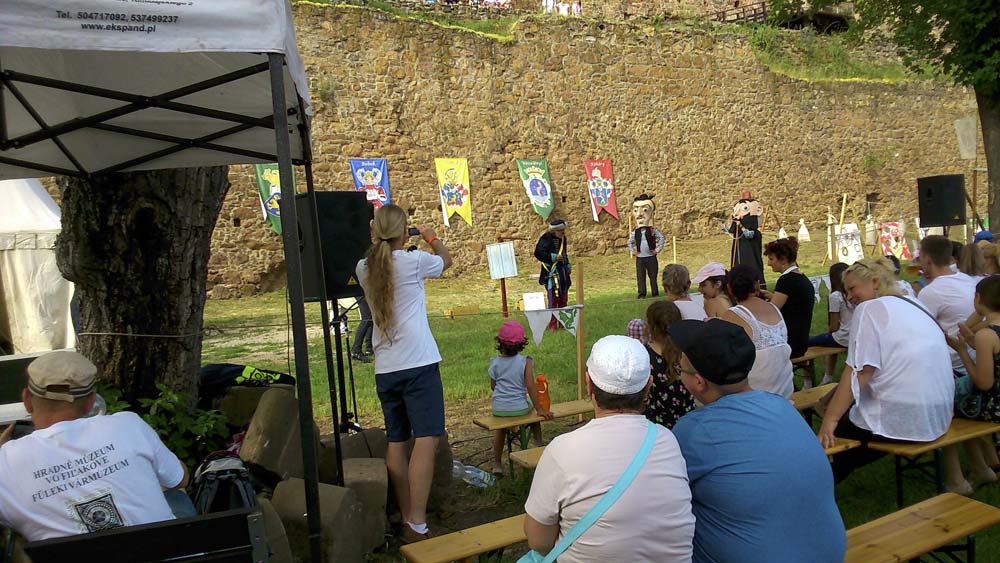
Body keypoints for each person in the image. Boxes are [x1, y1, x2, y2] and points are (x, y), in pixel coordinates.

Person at [669, 319, 846, 563]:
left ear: (699, 382)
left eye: (679, 368)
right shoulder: (781, 405)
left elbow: (662, 500)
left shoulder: (694, 431)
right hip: (829, 553)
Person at [524, 335, 695, 562]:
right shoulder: (667, 440)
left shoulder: (561, 450)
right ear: (649, 386)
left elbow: (539, 542)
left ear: (588, 384)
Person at [0, 351, 189, 541]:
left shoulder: (5, 464)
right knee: (174, 492)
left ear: (27, 400)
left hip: (70, 553)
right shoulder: (128, 424)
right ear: (91, 402)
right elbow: (179, 480)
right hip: (165, 548)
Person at [355, 203, 452, 542]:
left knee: (396, 440)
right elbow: (446, 260)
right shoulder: (414, 261)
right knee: (427, 438)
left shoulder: (363, 267)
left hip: (386, 366)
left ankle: (407, 513)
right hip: (418, 363)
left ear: (374, 230)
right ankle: (417, 522)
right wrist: (430, 237)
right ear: (403, 231)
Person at [817, 257, 954, 483]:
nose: (849, 297)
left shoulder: (869, 308)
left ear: (875, 282)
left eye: (852, 288)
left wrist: (829, 421)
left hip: (905, 417)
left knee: (834, 442)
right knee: (847, 426)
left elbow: (860, 371)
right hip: (938, 414)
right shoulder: (914, 303)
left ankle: (815, 488)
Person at [947, 275, 1000, 489]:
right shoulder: (987, 336)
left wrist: (962, 351)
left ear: (978, 298)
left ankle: (968, 474)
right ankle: (985, 466)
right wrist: (971, 341)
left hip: (994, 407)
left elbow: (984, 383)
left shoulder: (986, 335)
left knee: (950, 411)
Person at [488, 321, 553, 475]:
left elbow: (493, 386)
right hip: (519, 407)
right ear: (521, 343)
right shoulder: (526, 362)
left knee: (500, 429)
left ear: (500, 343)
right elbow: (530, 386)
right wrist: (539, 408)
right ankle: (538, 444)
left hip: (499, 408)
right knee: (534, 414)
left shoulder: (494, 363)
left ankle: (497, 463)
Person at [721, 264, 794, 397]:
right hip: (785, 392)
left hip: (756, 395)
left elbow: (724, 357)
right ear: (757, 285)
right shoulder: (774, 308)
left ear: (729, 288)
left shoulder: (733, 314)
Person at [642, 301, 695, 429]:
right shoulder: (688, 351)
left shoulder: (644, 356)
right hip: (689, 420)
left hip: (656, 426)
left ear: (650, 326)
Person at [762, 237, 814, 360]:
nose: (768, 263)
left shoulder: (786, 281)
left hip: (789, 344)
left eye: (771, 259)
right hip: (801, 342)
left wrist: (755, 303)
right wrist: (772, 296)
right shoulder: (802, 278)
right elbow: (793, 304)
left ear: (783, 259)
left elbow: (772, 312)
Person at [807, 262, 851, 386]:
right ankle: (827, 376)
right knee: (830, 341)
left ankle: (809, 381)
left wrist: (829, 334)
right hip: (857, 336)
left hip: (843, 337)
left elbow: (833, 327)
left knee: (807, 342)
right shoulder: (854, 293)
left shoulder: (835, 296)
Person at [627, 194, 665, 299]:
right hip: (640, 258)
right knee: (641, 277)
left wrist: (657, 249)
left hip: (651, 257)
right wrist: (633, 251)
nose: (640, 214)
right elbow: (629, 242)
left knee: (653, 276)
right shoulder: (635, 232)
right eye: (636, 211)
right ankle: (642, 294)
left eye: (644, 210)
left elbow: (661, 238)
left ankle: (655, 293)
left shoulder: (652, 230)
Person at [535, 220, 572, 318]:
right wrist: (553, 257)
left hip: (563, 274)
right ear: (555, 231)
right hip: (550, 274)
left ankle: (563, 322)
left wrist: (567, 265)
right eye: (561, 230)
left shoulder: (563, 239)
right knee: (553, 300)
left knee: (563, 299)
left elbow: (564, 253)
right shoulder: (546, 238)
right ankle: (553, 323)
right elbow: (538, 253)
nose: (563, 232)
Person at [727, 193, 765, 285]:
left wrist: (741, 226)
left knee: (750, 267)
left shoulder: (755, 233)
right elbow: (734, 230)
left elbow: (749, 235)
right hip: (740, 247)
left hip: (749, 253)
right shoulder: (738, 233)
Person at [350, 295, 374, 363]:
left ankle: (369, 349)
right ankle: (356, 350)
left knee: (370, 319)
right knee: (366, 319)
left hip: (364, 292)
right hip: (361, 292)